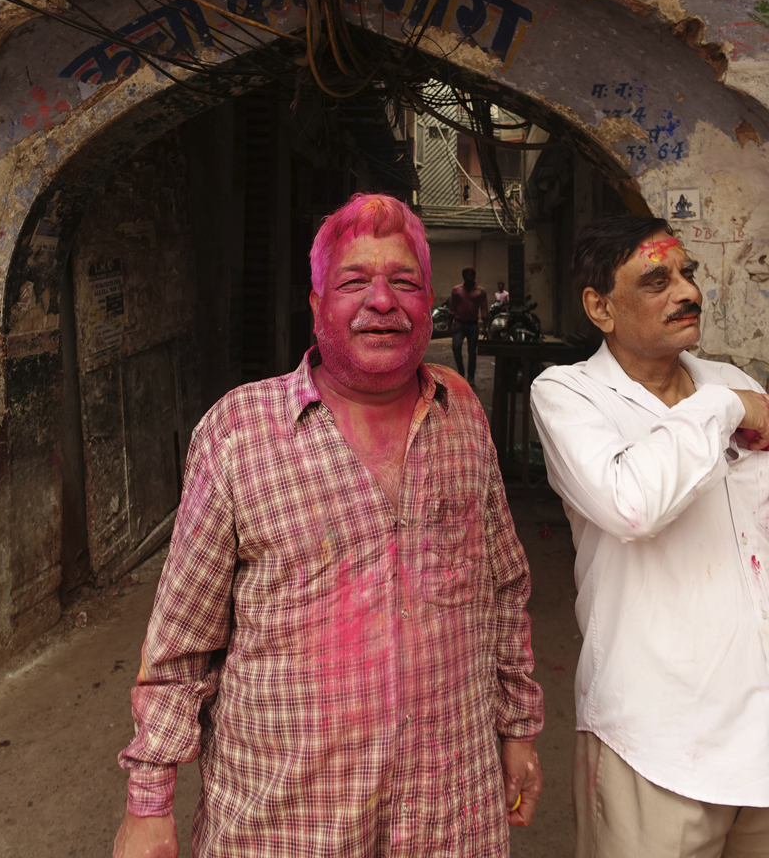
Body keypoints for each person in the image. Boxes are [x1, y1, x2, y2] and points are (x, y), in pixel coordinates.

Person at [114, 193, 544, 858]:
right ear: (316, 308)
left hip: (450, 817)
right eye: (354, 283)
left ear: (427, 302)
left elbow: (504, 590)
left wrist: (517, 729)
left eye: (404, 282)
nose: (382, 301)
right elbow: (178, 647)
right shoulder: (238, 432)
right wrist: (150, 804)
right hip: (285, 827)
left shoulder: (463, 416)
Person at [530, 215, 769, 858]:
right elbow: (631, 504)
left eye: (688, 274)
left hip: (761, 735)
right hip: (654, 743)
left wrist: (728, 397)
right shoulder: (568, 394)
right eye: (657, 280)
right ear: (600, 307)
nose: (686, 292)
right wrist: (720, 410)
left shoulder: (736, 383)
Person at [448, 267, 488, 386]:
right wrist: (449, 326)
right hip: (459, 324)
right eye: (467, 275)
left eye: (471, 275)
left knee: (472, 352)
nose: (469, 277)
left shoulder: (480, 291)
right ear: (463, 277)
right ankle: (461, 371)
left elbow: (484, 309)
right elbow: (452, 309)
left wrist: (485, 328)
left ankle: (471, 377)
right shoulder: (457, 290)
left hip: (473, 325)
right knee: (456, 347)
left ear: (474, 277)